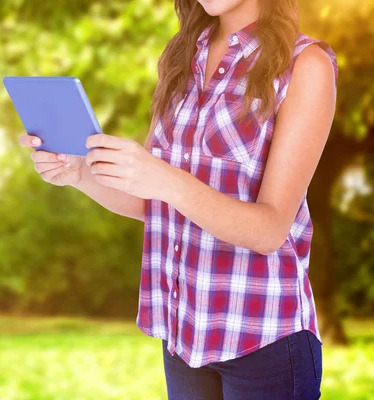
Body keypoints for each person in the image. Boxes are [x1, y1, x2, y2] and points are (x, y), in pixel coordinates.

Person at [19, 0, 338, 398]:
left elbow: (270, 229)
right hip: (184, 334)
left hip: (263, 339)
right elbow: (150, 203)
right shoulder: (184, 55)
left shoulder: (306, 66)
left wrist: (167, 180)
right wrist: (80, 174)